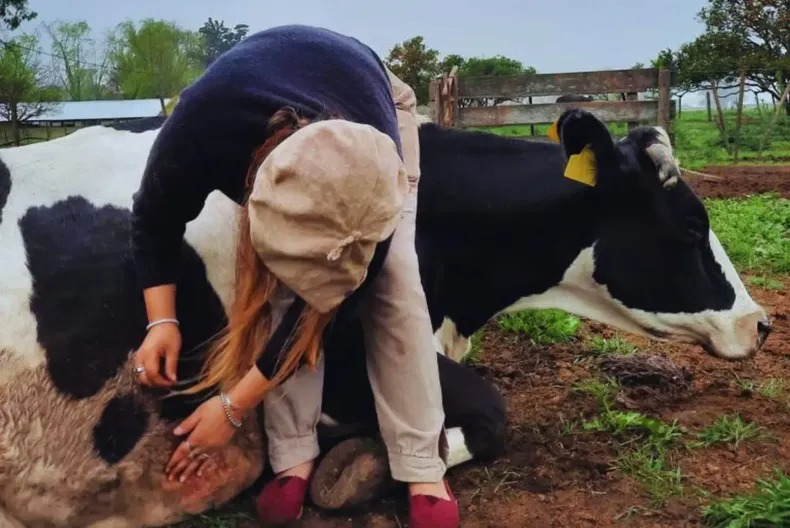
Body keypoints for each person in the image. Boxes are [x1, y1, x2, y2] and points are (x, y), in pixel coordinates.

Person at [129, 24, 459, 527]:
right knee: (283, 283)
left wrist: (233, 406)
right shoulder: (197, 133)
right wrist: (161, 322)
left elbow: (337, 292)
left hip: (383, 101)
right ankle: (293, 453)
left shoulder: (376, 160)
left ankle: (421, 463)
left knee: (392, 278)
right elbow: (153, 220)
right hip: (287, 89)